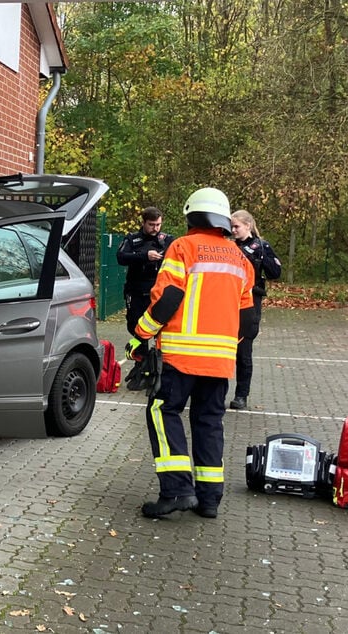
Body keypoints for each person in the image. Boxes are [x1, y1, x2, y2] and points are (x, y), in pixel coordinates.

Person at [128, 187, 255, 520]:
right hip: (220, 362)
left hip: (181, 359)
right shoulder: (241, 259)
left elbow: (168, 298)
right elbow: (247, 318)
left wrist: (141, 335)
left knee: (162, 412)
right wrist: (228, 348)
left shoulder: (182, 247)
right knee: (209, 423)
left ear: (192, 215)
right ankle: (210, 499)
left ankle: (176, 491)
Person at [228, 210, 282, 410]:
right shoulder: (228, 245)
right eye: (231, 227)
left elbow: (275, 272)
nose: (233, 231)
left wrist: (259, 256)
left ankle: (241, 395)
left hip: (250, 300)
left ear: (248, 226)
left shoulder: (260, 246)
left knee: (244, 350)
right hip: (228, 300)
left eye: (237, 227)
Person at [116, 207, 174, 336]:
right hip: (136, 290)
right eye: (151, 225)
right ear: (143, 223)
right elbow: (121, 257)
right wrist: (144, 256)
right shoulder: (132, 239)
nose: (155, 228)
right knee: (134, 324)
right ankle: (140, 353)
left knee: (161, 324)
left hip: (159, 290)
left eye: (158, 225)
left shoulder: (167, 240)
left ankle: (158, 353)